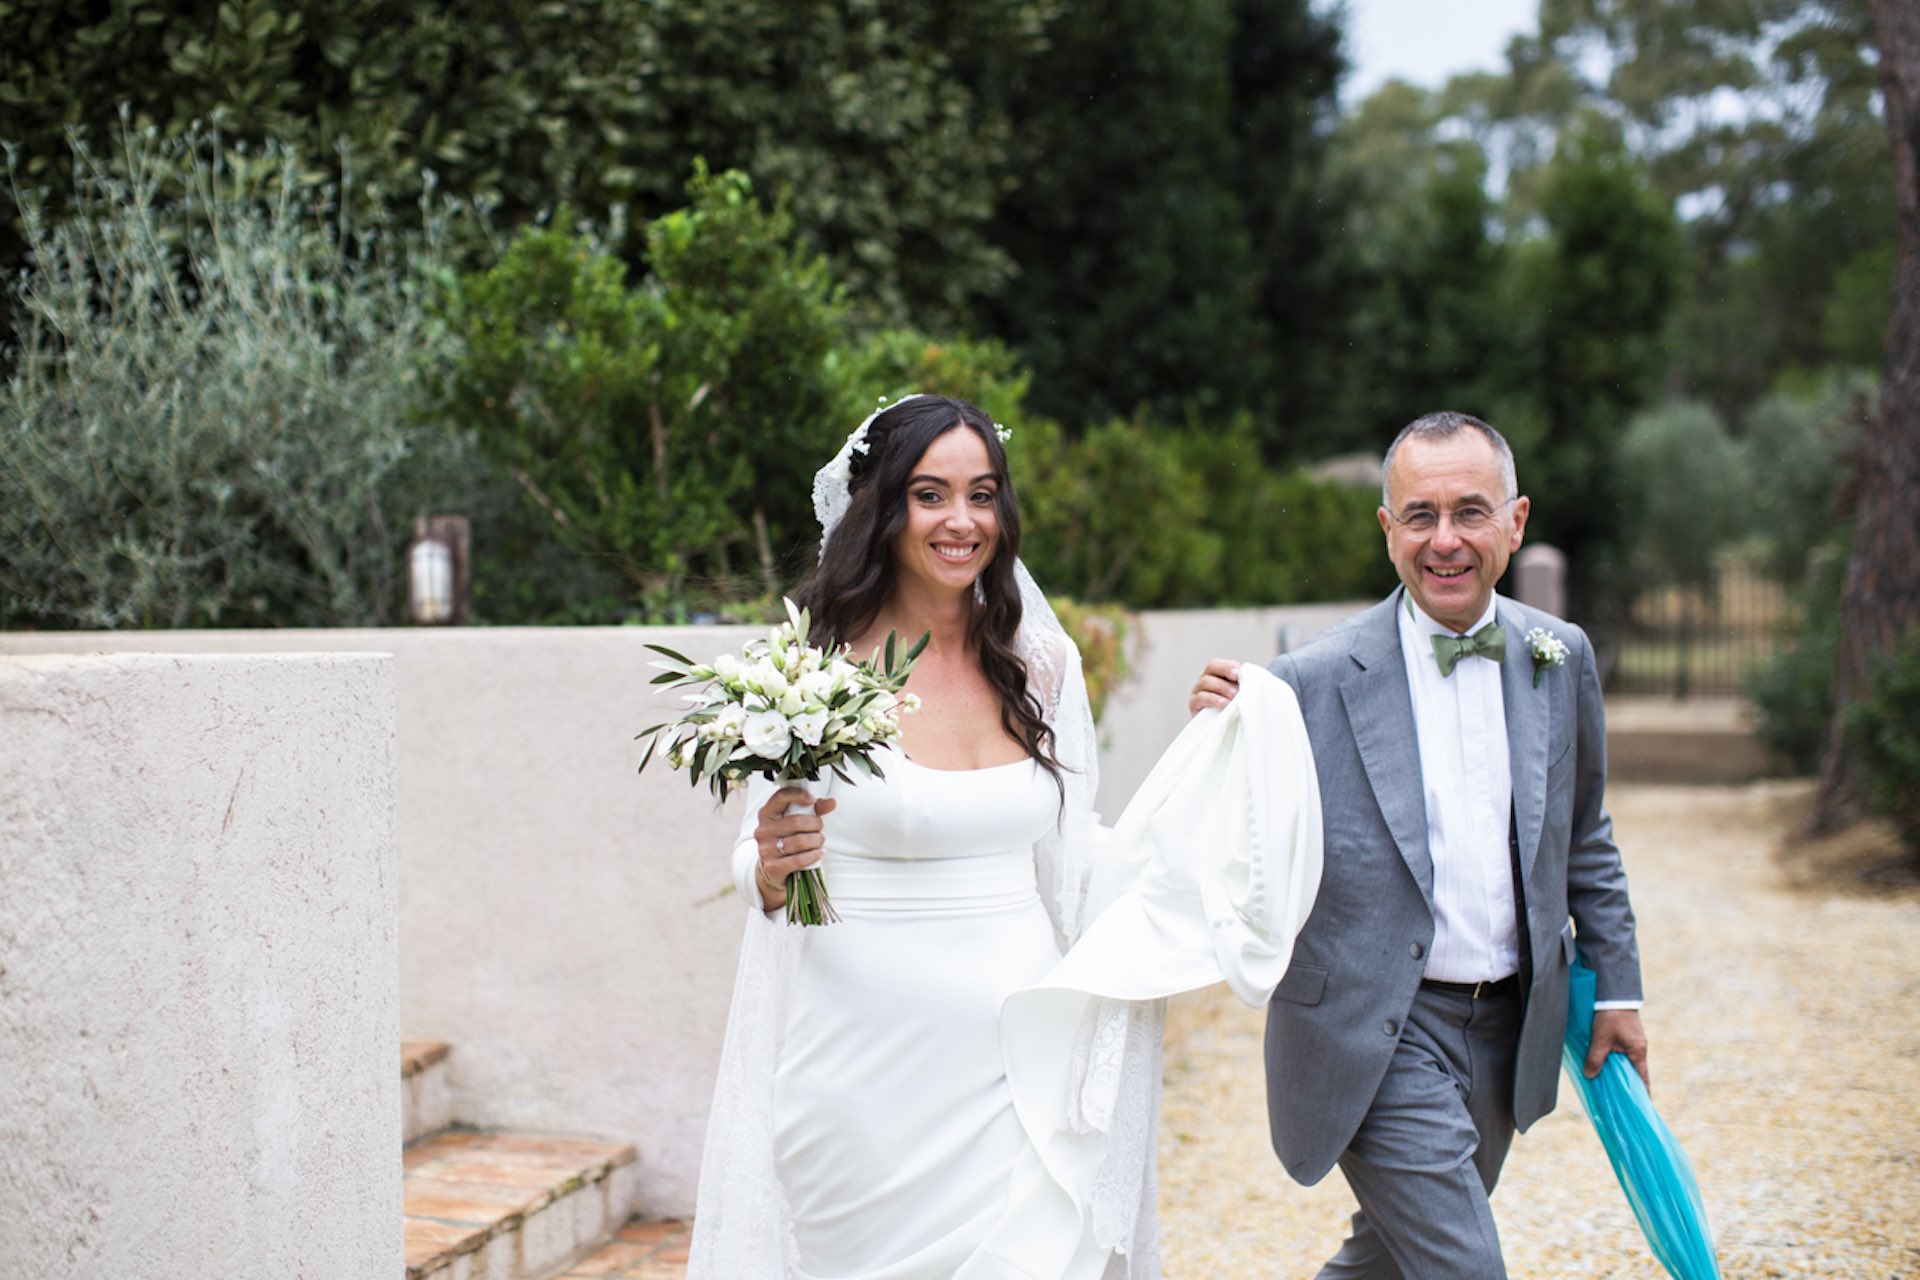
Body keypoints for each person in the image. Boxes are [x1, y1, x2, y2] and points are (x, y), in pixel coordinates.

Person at [686, 394, 1324, 1280]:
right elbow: (768, 845)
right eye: (931, 494)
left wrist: (1208, 753)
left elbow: (1082, 852)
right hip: (861, 1081)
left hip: (1024, 1060)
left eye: (982, 494)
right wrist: (766, 865)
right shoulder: (810, 667)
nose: (963, 520)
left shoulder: (1040, 664)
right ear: (883, 508)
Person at [1189, 410, 1648, 1279]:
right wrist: (1220, 731)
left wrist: (1619, 989)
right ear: (1387, 530)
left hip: (1509, 1024)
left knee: (1388, 1259)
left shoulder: (1562, 657)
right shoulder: (1307, 683)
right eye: (1420, 515)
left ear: (1515, 523)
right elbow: (1232, 836)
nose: (1445, 540)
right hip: (1375, 1026)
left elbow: (1584, 835)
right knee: (1463, 1267)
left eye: (1470, 512)